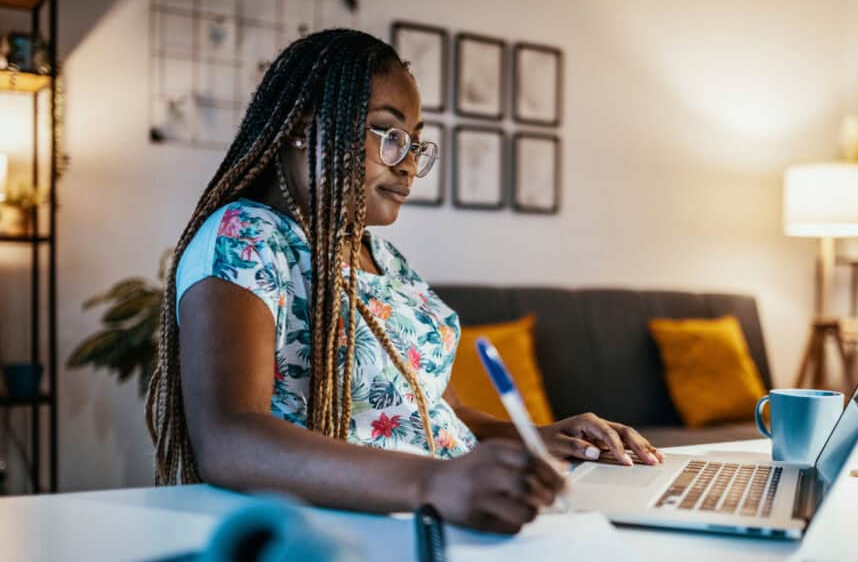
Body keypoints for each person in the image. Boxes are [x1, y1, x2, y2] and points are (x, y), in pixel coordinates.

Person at [145, 29, 663, 534]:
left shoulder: (384, 258)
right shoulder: (246, 236)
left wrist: (543, 438)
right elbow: (230, 438)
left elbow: (444, 410)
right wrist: (434, 483)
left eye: (416, 143)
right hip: (354, 530)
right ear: (304, 126)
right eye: (390, 136)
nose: (410, 163)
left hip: (442, 516)